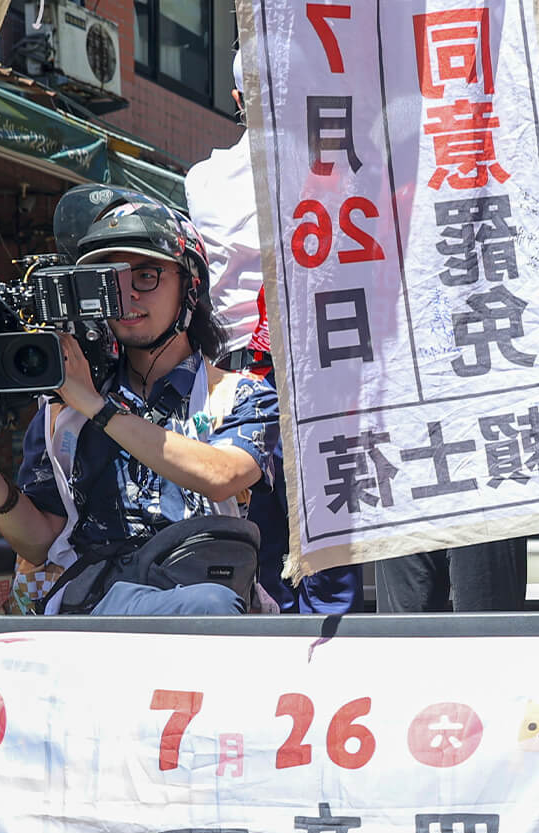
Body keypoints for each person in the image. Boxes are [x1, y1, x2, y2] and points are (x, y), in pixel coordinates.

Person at [0, 188, 267, 615]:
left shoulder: (240, 394)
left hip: (204, 603)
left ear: (191, 285)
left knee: (209, 605)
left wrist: (95, 405)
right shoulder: (63, 406)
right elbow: (40, 540)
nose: (127, 297)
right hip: (92, 612)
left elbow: (223, 475)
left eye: (146, 276)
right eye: (108, 280)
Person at [187, 48, 361, 615]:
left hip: (234, 380)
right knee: (327, 536)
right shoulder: (335, 168)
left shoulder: (205, 179)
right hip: (321, 368)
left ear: (238, 101)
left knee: (249, 539)